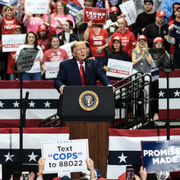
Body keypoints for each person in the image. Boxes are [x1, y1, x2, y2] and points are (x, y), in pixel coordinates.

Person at [132, 35, 152, 116]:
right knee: (135, 92)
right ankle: (134, 113)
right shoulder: (134, 51)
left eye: (143, 41)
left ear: (146, 42)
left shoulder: (149, 50)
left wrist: (145, 55)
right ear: (138, 42)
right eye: (140, 41)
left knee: (146, 93)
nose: (142, 42)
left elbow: (150, 62)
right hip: (137, 71)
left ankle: (146, 113)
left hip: (146, 72)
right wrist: (141, 56)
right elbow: (133, 62)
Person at [167, 5, 180, 69]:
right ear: (174, 12)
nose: (179, 12)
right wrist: (169, 33)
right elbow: (169, 40)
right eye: (178, 11)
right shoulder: (171, 23)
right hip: (174, 51)